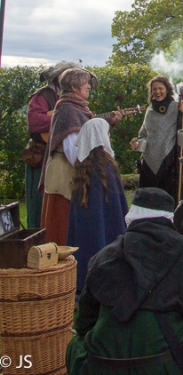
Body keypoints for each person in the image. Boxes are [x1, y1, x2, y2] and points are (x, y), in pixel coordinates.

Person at [66, 187, 183, 375]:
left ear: (131, 219)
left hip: (100, 368)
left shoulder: (104, 257)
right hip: (163, 369)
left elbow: (84, 324)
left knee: (74, 345)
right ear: (169, 221)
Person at [40, 67, 121, 245]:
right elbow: (74, 151)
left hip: (71, 174)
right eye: (86, 83)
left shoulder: (75, 108)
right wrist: (93, 171)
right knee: (64, 232)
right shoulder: (69, 110)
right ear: (75, 86)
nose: (89, 87)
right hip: (65, 178)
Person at [67, 118, 128, 293]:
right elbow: (119, 207)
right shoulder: (107, 168)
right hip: (109, 236)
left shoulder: (81, 168)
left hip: (85, 235)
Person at [25, 60, 77, 228]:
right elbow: (34, 121)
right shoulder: (42, 95)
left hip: (60, 157)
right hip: (41, 157)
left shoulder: (69, 96)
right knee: (39, 204)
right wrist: (60, 116)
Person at [130, 76, 183, 199]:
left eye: (160, 88)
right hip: (148, 163)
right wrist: (137, 145)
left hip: (170, 163)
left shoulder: (176, 107)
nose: (157, 92)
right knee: (149, 201)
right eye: (154, 89)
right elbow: (143, 135)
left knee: (167, 201)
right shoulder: (149, 110)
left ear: (167, 89)